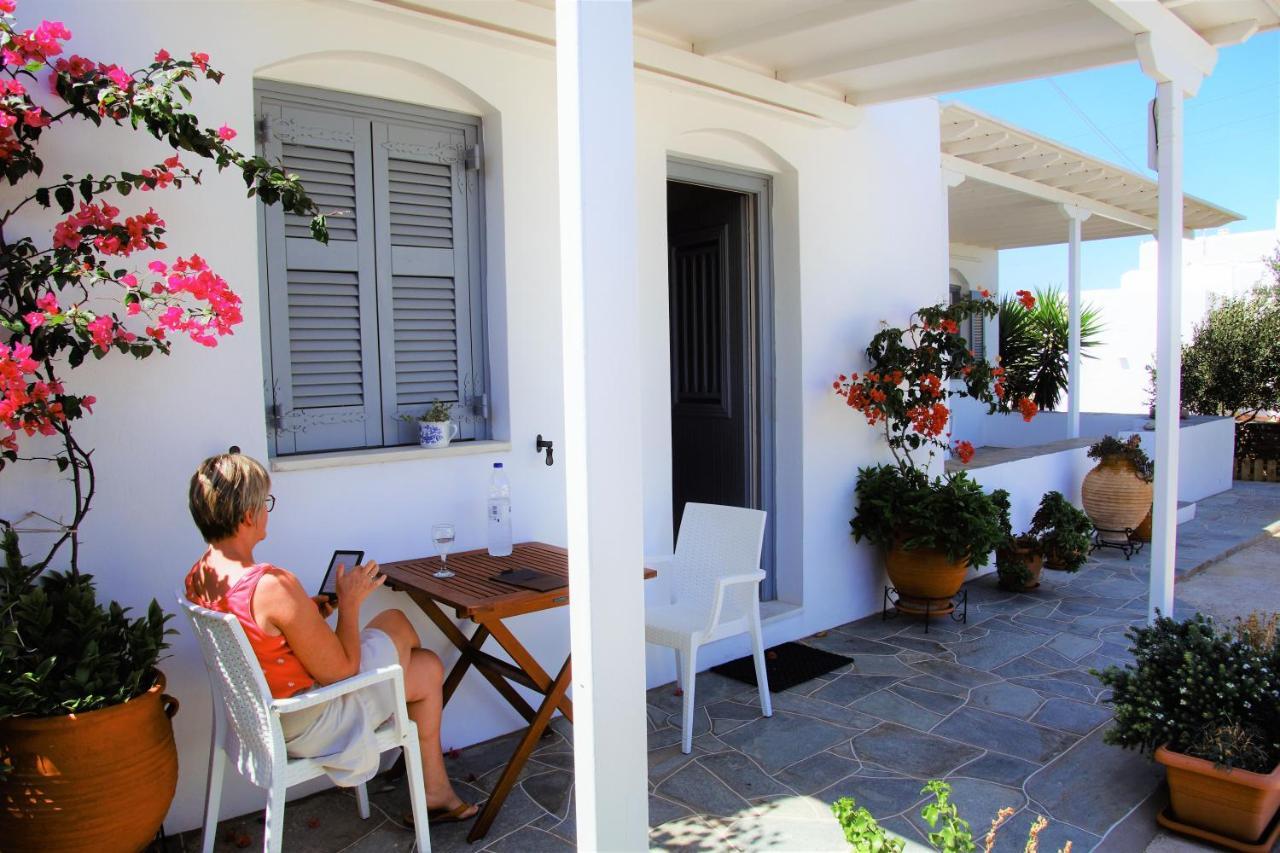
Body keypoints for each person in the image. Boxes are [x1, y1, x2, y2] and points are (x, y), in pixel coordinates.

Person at [184, 452, 477, 824]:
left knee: (427, 668)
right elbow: (341, 671)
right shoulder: (271, 585)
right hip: (311, 720)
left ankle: (436, 793)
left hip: (261, 717)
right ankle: (432, 790)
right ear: (247, 515)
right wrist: (351, 603)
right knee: (397, 622)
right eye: (265, 503)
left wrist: (306, 615)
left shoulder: (201, 576)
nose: (267, 512)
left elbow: (260, 635)